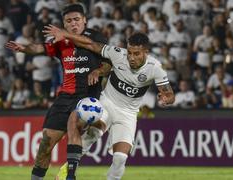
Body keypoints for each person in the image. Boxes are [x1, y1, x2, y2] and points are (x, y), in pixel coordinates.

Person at [44, 26, 175, 180]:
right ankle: (65, 173)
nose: (131, 57)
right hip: (107, 104)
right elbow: (91, 44)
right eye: (130, 53)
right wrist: (65, 34)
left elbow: (169, 93)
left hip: (128, 114)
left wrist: (167, 99)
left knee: (120, 158)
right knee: (88, 138)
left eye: (137, 54)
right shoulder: (118, 54)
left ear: (146, 52)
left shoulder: (155, 69)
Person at [5, 3, 112, 180]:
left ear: (85, 20)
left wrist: (98, 71)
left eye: (77, 20)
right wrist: (24, 48)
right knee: (46, 143)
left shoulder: (95, 36)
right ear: (64, 23)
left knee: (74, 122)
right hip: (65, 97)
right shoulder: (60, 41)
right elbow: (39, 47)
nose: (73, 24)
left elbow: (109, 63)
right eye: (68, 21)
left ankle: (70, 176)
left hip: (87, 97)